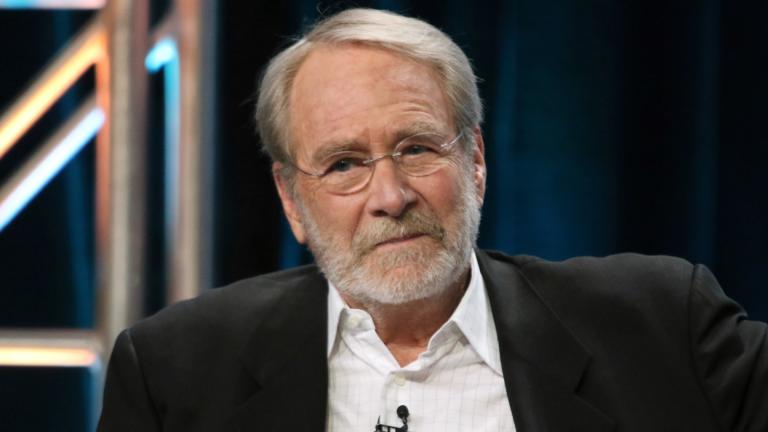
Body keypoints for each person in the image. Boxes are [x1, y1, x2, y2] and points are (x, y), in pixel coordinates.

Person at [98, 8, 767, 432]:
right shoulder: (174, 374)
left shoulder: (660, 327)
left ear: (474, 160)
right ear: (291, 202)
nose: (389, 195)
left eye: (416, 148)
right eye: (343, 165)